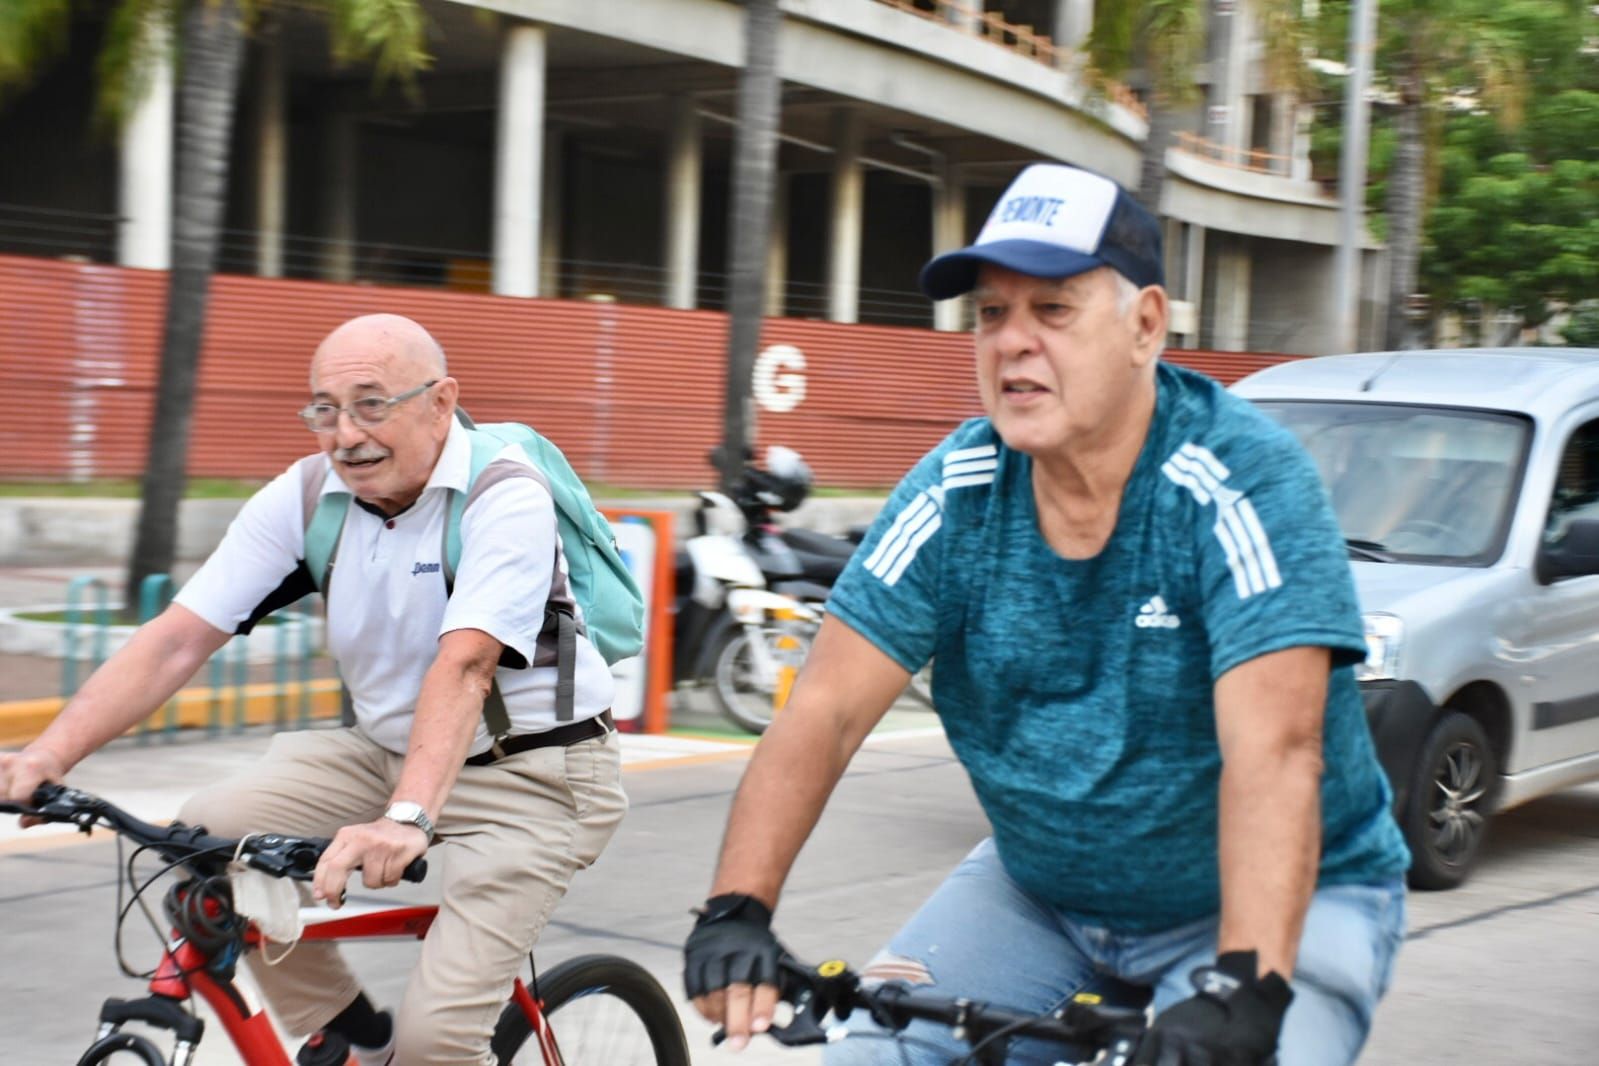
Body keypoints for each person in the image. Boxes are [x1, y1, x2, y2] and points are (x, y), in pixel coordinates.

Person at [682, 164, 1409, 1066]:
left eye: (1052, 311)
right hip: (1044, 893)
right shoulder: (958, 491)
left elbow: (1276, 754)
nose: (1011, 342)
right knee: (867, 1057)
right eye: (991, 314)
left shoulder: (1238, 483)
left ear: (1144, 325)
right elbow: (823, 712)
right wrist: (736, 909)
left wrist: (1244, 983)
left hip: (1281, 899)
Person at [0, 314, 627, 1066]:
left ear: (439, 402)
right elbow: (176, 638)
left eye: (371, 403)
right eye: (325, 408)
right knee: (202, 844)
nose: (345, 434)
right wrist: (47, 756)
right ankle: (353, 1035)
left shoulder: (502, 495)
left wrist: (405, 819)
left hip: (539, 775)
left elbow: (465, 665)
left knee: (437, 1046)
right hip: (388, 754)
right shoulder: (306, 497)